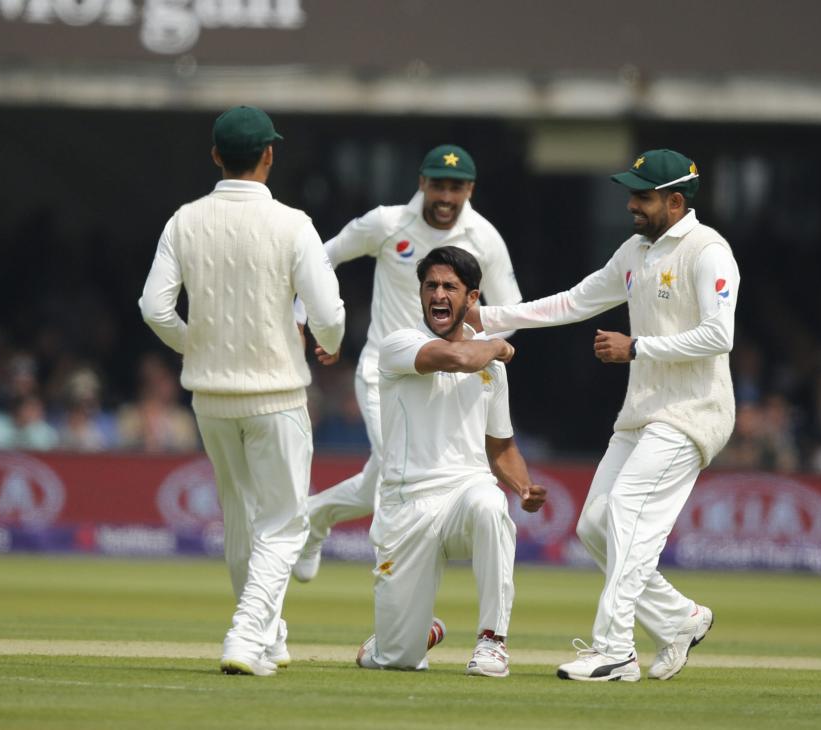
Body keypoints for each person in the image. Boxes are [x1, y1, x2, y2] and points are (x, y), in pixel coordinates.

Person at [475, 149, 737, 682]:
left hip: (692, 411)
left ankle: (615, 650)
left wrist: (637, 347)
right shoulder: (636, 250)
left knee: (627, 514)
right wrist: (485, 317)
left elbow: (720, 335)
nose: (631, 204)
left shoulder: (709, 251)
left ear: (675, 201)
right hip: (642, 411)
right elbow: (572, 302)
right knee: (595, 525)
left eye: (642, 196)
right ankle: (679, 619)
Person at [139, 105, 345, 676]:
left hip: (210, 397)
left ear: (214, 156)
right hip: (276, 394)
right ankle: (245, 635)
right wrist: (328, 340)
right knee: (284, 523)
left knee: (242, 521)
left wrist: (196, 345)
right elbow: (327, 312)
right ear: (269, 155)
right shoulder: (293, 223)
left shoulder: (185, 219)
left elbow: (154, 308)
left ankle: (271, 638)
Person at [293, 144, 523, 583]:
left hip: (449, 383)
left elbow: (510, 311)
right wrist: (309, 319)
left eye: (456, 187)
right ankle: (395, 595)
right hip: (387, 371)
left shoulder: (485, 239)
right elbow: (323, 257)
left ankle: (313, 517)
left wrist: (475, 348)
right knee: (398, 471)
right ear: (422, 183)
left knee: (381, 476)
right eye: (438, 185)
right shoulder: (387, 222)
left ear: (469, 189)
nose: (445, 196)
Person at [355, 246, 544, 677]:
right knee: (396, 659)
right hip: (406, 507)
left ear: (472, 298)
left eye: (450, 287)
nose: (438, 295)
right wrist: (496, 343)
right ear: (421, 293)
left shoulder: (491, 366)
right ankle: (409, 634)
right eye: (431, 286)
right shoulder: (400, 344)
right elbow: (459, 358)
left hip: (464, 494)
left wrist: (522, 487)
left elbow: (502, 447)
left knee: (490, 505)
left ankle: (492, 642)